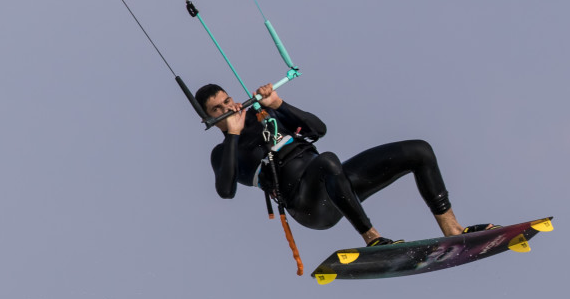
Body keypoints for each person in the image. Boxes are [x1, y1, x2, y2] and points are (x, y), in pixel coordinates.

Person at [196, 82, 473, 246]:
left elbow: (319, 129)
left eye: (227, 101)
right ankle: (373, 240)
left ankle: (452, 229)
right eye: (217, 110)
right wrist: (232, 132)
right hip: (308, 206)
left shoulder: (264, 115)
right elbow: (226, 190)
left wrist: (279, 103)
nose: (228, 109)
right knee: (328, 161)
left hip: (336, 184)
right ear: (208, 119)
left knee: (419, 150)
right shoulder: (223, 152)